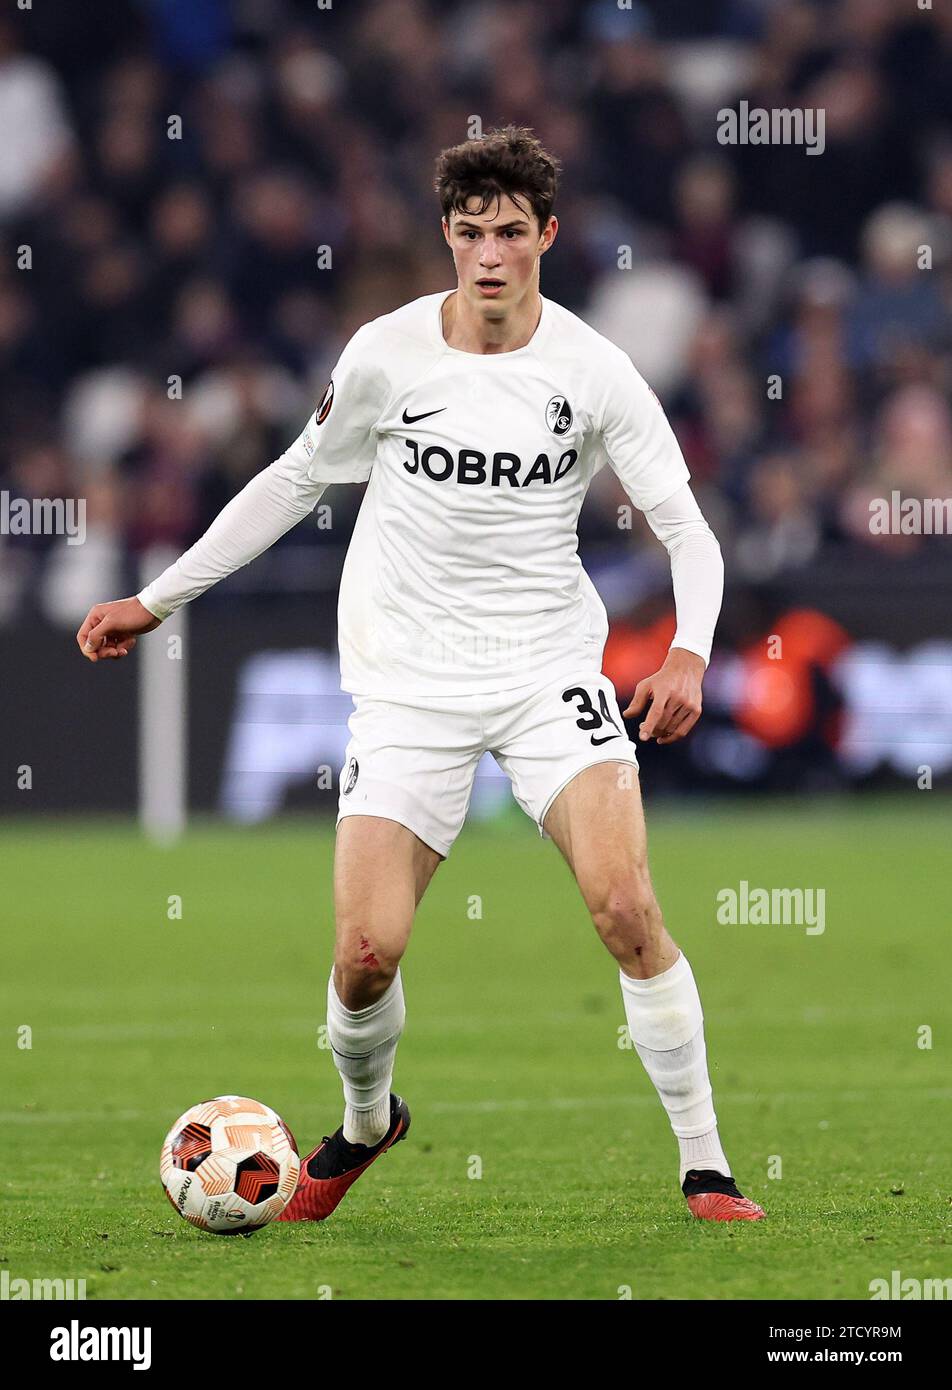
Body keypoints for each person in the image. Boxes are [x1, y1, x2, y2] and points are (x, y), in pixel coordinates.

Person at [76, 126, 764, 1223]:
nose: (489, 255)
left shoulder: (594, 371)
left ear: (546, 234)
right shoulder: (386, 356)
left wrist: (689, 647)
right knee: (363, 954)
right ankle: (364, 1122)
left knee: (628, 905)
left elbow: (687, 529)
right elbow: (291, 483)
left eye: (509, 233)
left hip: (547, 671)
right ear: (445, 235)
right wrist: (160, 596)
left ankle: (707, 1167)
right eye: (469, 232)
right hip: (407, 683)